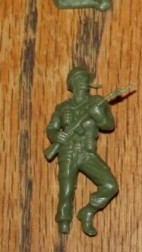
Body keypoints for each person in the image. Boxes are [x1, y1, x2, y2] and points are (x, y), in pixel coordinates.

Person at [46, 68, 123, 236]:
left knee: (110, 185)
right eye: (78, 78)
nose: (82, 82)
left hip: (87, 152)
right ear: (71, 83)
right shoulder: (63, 107)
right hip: (68, 151)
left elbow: (109, 125)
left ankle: (87, 211)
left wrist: (98, 115)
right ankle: (63, 221)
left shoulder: (97, 102)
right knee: (66, 190)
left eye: (85, 79)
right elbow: (52, 127)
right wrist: (57, 136)